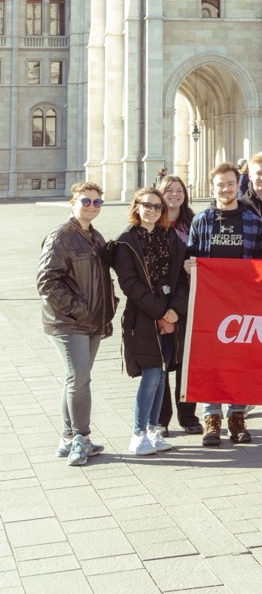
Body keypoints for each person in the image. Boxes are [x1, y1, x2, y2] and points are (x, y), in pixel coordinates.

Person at [186, 162, 262, 447]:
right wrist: (189, 265)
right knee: (211, 362)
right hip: (211, 306)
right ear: (213, 188)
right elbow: (192, 257)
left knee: (240, 362)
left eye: (230, 183)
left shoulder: (252, 220)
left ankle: (237, 417)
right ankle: (212, 419)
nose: (226, 188)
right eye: (220, 184)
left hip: (242, 304)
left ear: (238, 185)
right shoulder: (202, 220)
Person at [37, 181, 117, 468]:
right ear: (73, 203)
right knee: (79, 379)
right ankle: (81, 438)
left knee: (76, 379)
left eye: (97, 202)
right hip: (68, 322)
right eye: (86, 201)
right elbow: (47, 281)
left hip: (90, 320)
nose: (92, 207)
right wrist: (79, 310)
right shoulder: (62, 236)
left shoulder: (94, 237)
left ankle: (68, 438)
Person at [111, 189, 189, 455]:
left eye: (157, 206)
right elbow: (130, 285)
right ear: (137, 207)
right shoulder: (126, 241)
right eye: (147, 205)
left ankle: (154, 431)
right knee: (152, 374)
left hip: (169, 313)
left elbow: (181, 278)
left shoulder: (171, 238)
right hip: (143, 316)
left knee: (163, 373)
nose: (153, 210)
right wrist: (160, 312)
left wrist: (175, 310)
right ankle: (138, 433)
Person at [157, 175, 201, 435]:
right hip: (160, 304)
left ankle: (187, 416)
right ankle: (161, 419)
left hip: (189, 300)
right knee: (161, 363)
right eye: (169, 190)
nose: (174, 195)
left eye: (179, 190)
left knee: (187, 361)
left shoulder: (193, 222)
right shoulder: (152, 222)